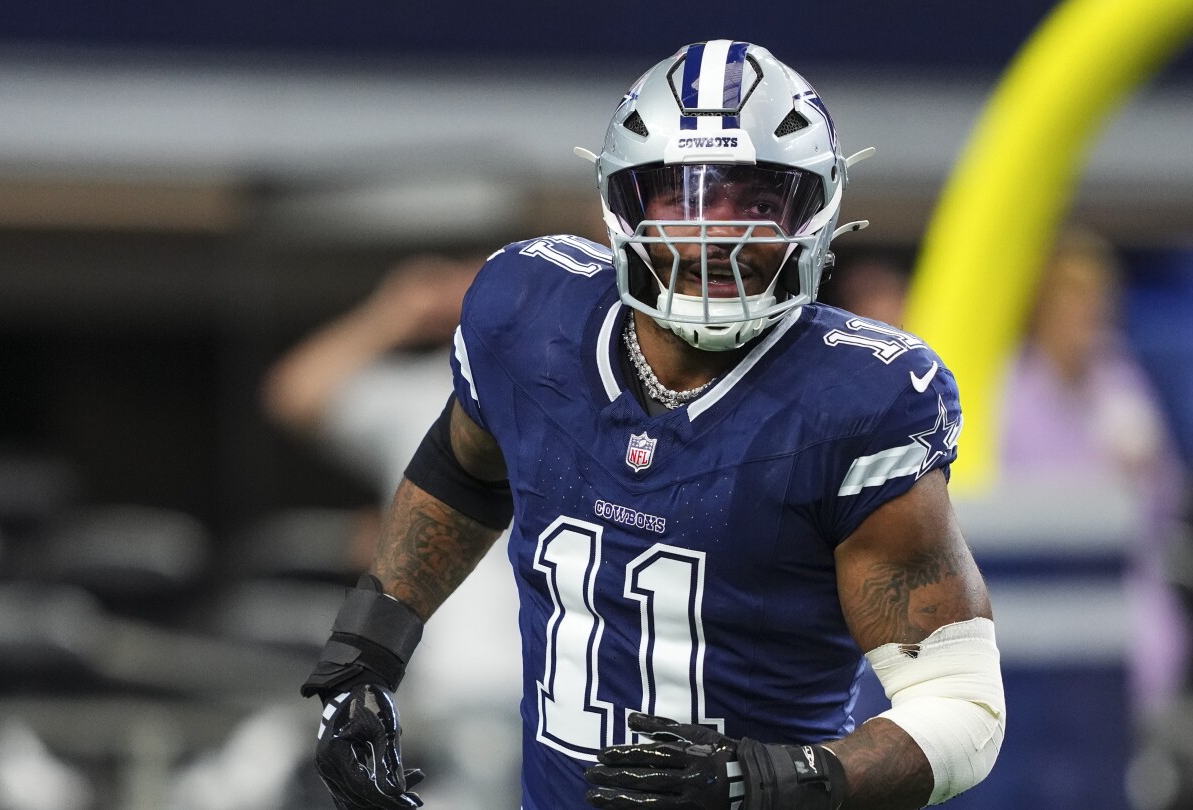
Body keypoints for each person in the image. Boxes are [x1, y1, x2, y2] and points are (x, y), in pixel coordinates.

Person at [300, 41, 1005, 810]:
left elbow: (963, 710)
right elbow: (463, 474)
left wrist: (771, 779)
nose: (719, 232)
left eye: (759, 199)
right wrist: (365, 656)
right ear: (623, 205)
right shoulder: (530, 317)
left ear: (815, 212)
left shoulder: (858, 401)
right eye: (683, 196)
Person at [262, 256, 523, 808]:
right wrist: (395, 312)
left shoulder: (573, 389)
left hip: (564, 677)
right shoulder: (430, 391)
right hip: (456, 676)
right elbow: (293, 393)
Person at [998, 228, 1189, 720]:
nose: (1089, 315)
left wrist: (1144, 472)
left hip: (1124, 596)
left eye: (1097, 301)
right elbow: (1006, 510)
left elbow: (1167, 502)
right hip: (1038, 599)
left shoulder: (1121, 382)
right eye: (1074, 301)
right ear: (1044, 308)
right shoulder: (1012, 392)